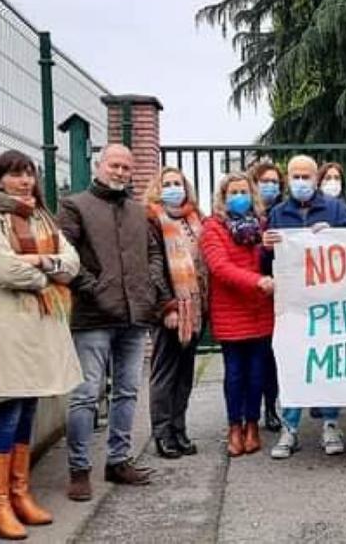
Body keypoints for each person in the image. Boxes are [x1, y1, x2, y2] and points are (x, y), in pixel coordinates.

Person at [0, 150, 82, 539]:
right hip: (7, 328)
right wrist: (47, 275)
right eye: (16, 174)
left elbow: (72, 264)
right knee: (8, 410)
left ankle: (20, 494)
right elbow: (5, 269)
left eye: (29, 173)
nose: (25, 181)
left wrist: (42, 263)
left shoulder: (43, 219)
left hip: (39, 328)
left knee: (28, 408)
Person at [57, 144, 160, 501]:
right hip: (93, 316)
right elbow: (65, 255)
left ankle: (118, 460)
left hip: (134, 315)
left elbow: (153, 252)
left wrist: (150, 287)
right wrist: (94, 288)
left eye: (126, 168)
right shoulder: (75, 206)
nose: (120, 172)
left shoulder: (138, 211)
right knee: (86, 394)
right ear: (99, 165)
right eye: (114, 165)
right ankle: (79, 469)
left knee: (128, 391)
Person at [264, 154, 346, 459]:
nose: (301, 182)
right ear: (288, 179)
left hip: (328, 302)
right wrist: (266, 246)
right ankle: (290, 427)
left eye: (306, 176)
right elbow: (267, 262)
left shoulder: (335, 208)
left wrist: (335, 233)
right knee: (293, 362)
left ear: (316, 179)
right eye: (295, 176)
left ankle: (331, 424)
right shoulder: (278, 213)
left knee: (329, 362)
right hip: (293, 304)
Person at [202, 171, 276, 457]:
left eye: (244, 191)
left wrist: (268, 251)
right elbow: (219, 267)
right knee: (234, 374)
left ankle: (252, 425)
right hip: (231, 311)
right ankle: (235, 426)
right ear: (223, 197)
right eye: (233, 192)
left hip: (259, 310)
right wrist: (256, 282)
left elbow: (269, 261)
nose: (239, 197)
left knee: (257, 374)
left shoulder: (262, 226)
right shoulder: (213, 228)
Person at [145, 167, 209, 460]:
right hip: (170, 308)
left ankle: (178, 428)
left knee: (184, 374)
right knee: (165, 373)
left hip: (195, 308)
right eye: (167, 183)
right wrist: (167, 306)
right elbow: (153, 266)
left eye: (178, 183)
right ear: (158, 189)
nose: (174, 188)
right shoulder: (151, 218)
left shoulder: (196, 218)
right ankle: (162, 433)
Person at [247, 162, 284, 432]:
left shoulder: (282, 213)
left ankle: (271, 407)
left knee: (272, 358)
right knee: (252, 358)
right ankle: (249, 411)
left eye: (275, 182)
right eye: (264, 181)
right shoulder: (244, 216)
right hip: (252, 292)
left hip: (279, 292)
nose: (270, 186)